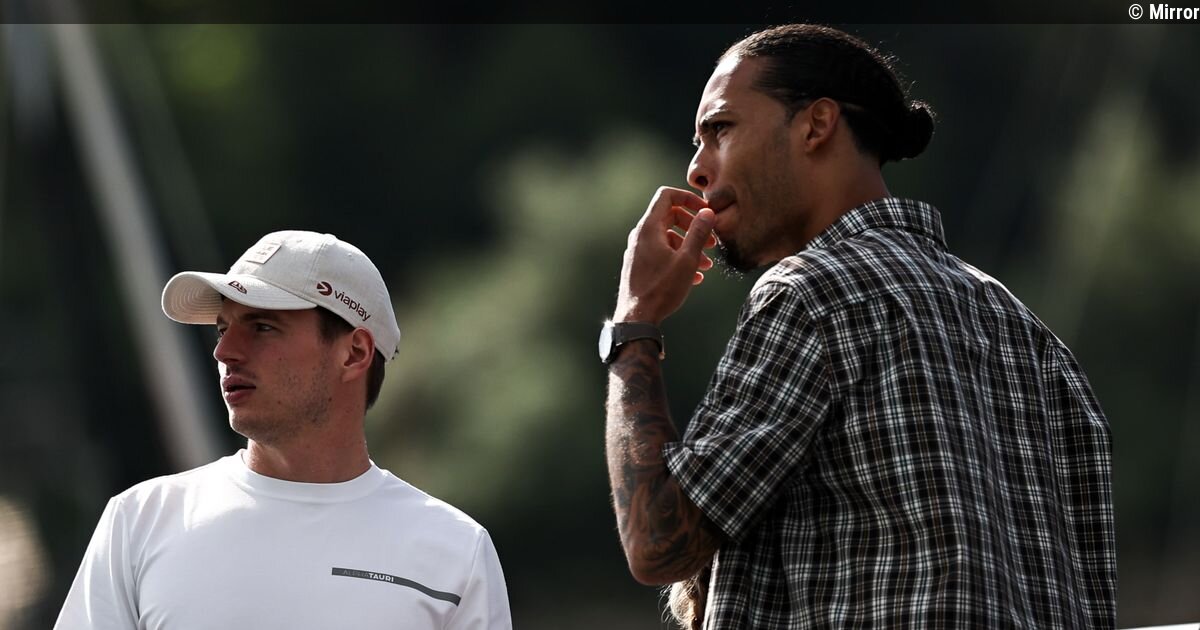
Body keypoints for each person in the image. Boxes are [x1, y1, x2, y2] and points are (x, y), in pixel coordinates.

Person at [601, 24, 1116, 629]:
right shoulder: (1032, 338)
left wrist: (634, 322)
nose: (696, 168)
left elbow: (658, 543)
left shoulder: (810, 294)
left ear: (816, 124)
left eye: (721, 129)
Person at [55, 230, 512, 629]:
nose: (224, 352)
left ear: (354, 353)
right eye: (222, 329)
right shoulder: (138, 521)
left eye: (262, 326)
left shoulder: (456, 551)